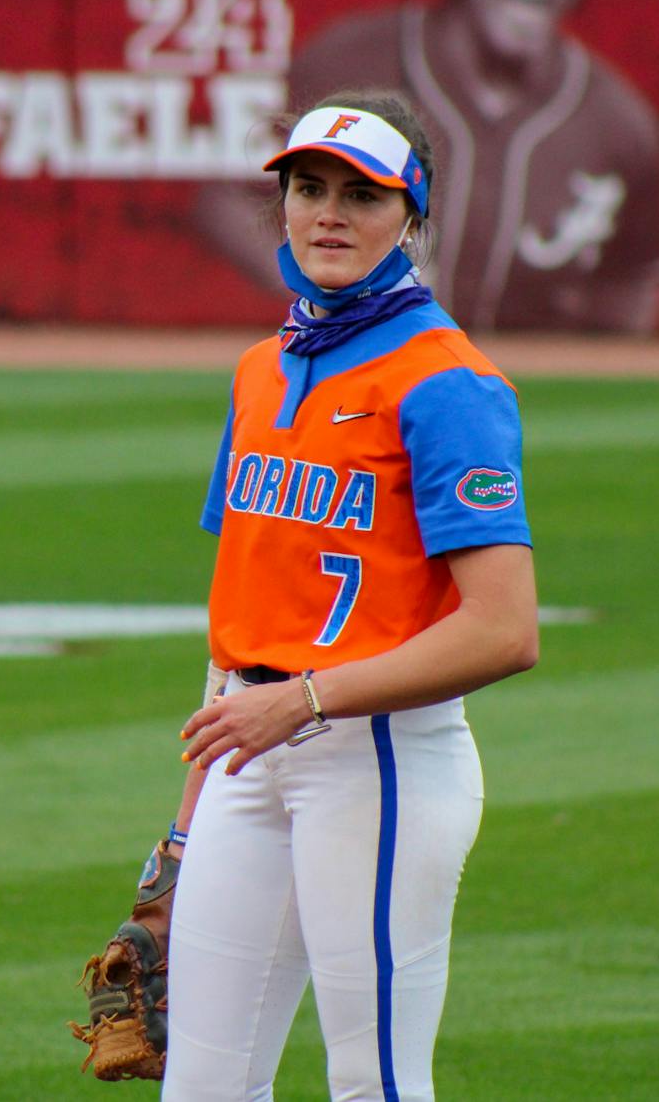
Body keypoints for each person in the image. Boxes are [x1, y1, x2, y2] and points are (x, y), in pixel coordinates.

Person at [162, 90, 539, 1101]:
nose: (328, 213)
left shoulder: (446, 382)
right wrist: (184, 826)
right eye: (308, 188)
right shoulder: (260, 369)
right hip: (249, 750)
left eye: (362, 196)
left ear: (411, 217)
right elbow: (243, 611)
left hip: (377, 762)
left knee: (373, 1081)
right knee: (200, 1087)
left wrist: (308, 698)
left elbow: (506, 631)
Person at [195, 0, 659, 333]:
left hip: (532, 387)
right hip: (357, 356)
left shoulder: (621, 123)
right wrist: (332, 283)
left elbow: (632, 287)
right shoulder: (350, 59)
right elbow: (227, 201)